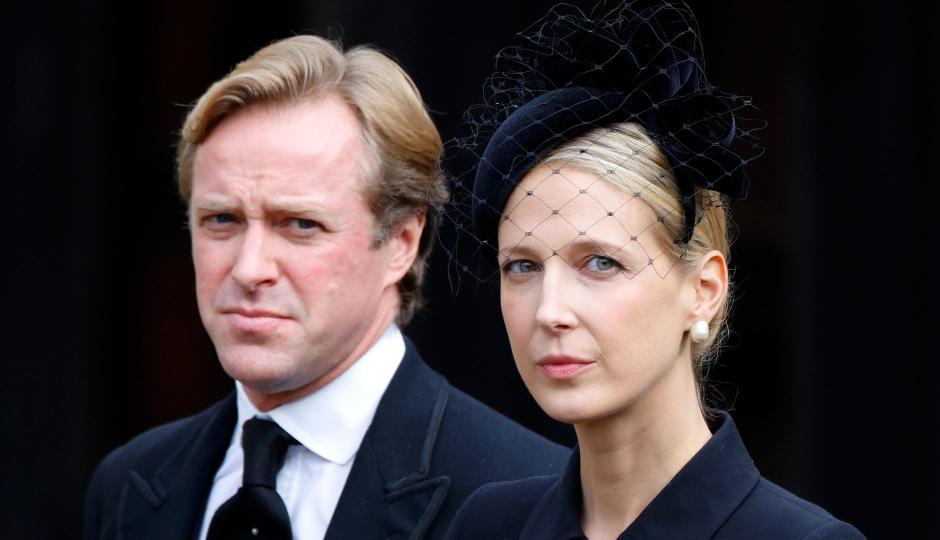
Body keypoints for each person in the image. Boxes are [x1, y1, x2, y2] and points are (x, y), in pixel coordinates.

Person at [84, 35, 568, 540]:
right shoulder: (128, 485)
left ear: (402, 241)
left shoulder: (532, 496)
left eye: (299, 224)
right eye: (222, 219)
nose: (249, 269)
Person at [442, 3, 864, 539]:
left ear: (704, 290)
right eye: (522, 266)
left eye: (600, 262)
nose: (549, 312)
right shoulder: (488, 526)